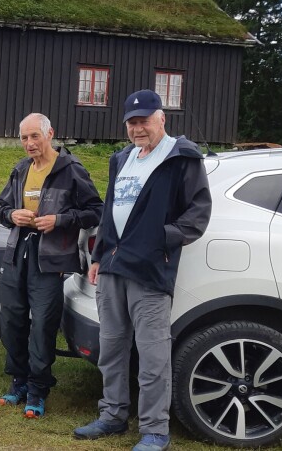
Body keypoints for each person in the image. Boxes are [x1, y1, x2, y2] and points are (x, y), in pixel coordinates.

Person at [73, 90, 211, 451]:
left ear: (161, 118)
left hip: (151, 270)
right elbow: (110, 211)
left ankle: (155, 431)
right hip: (113, 269)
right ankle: (113, 415)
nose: (138, 128)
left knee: (153, 354)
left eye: (144, 120)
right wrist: (100, 255)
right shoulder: (122, 159)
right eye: (132, 122)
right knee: (112, 348)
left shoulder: (181, 158)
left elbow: (197, 214)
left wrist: (160, 239)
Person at [0, 114, 102, 417]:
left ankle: (39, 389)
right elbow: (2, 208)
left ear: (50, 134)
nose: (29, 143)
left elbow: (95, 211)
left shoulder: (71, 169)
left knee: (42, 324)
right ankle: (19, 381)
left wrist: (60, 220)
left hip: (51, 258)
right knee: (11, 319)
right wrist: (12, 215)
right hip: (18, 252)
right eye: (24, 138)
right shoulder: (20, 169)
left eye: (34, 137)